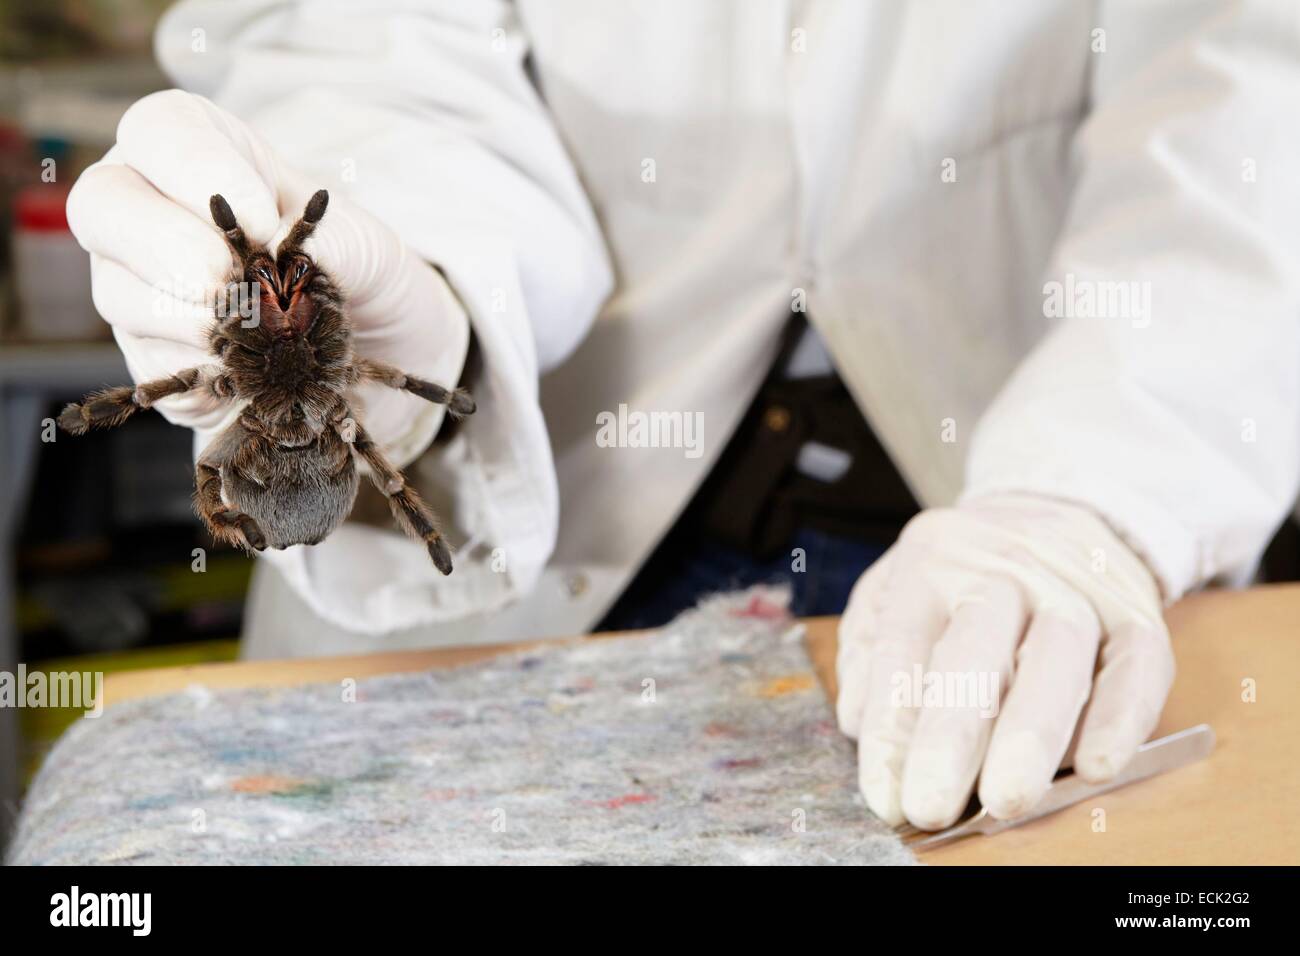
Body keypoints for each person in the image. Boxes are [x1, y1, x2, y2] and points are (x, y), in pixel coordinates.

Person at [66, 1, 1300, 831]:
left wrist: (1087, 493)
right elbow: (350, 52)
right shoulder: (329, 359)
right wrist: (421, 284)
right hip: (537, 506)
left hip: (979, 520)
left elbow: (1239, 106)